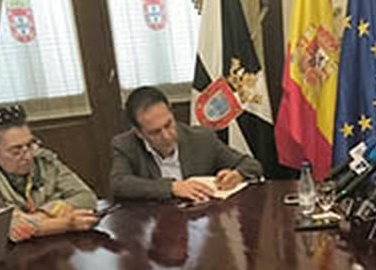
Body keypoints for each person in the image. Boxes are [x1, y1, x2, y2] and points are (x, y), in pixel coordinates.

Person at [0, 103, 98, 240]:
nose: (28, 156)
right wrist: (66, 224)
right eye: (16, 151)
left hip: (62, 245)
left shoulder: (44, 158)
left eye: (29, 144)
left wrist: (44, 213)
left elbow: (86, 197)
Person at [109, 85, 262, 203]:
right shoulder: (125, 145)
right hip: (155, 227)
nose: (167, 136)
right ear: (139, 133)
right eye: (155, 132)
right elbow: (119, 184)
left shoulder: (201, 138)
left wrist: (237, 175)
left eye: (168, 124)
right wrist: (172, 188)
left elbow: (251, 165)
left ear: (171, 113)